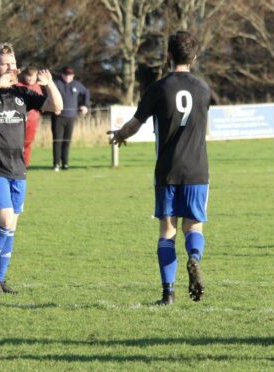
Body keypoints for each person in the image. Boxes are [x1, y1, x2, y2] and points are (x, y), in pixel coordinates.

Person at [108, 31, 210, 306]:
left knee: (167, 231)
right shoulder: (203, 90)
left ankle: (168, 293)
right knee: (193, 226)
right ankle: (194, 258)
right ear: (194, 56)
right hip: (198, 170)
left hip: (167, 170)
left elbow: (134, 124)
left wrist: (119, 135)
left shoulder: (158, 89)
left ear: (168, 56)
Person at [0, 43, 63, 295]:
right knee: (5, 220)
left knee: (13, 225)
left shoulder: (23, 93)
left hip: (17, 167)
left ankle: (1, 277)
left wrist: (49, 84)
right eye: (4, 64)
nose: (10, 68)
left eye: (12, 63)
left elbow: (57, 107)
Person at [51, 66, 90, 171]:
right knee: (57, 141)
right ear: (62, 74)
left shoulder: (77, 85)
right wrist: (53, 106)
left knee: (67, 141)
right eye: (66, 74)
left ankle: (65, 164)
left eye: (70, 75)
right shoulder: (57, 83)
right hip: (58, 117)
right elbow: (48, 94)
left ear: (73, 75)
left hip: (71, 117)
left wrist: (85, 105)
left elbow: (86, 92)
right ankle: (56, 164)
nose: (68, 77)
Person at [17, 66, 43, 167]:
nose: (31, 79)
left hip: (32, 120)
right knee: (16, 143)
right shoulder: (18, 86)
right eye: (28, 76)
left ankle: (25, 165)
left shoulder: (37, 87)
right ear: (24, 76)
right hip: (18, 120)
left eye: (33, 77)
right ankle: (15, 164)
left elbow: (41, 103)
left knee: (27, 143)